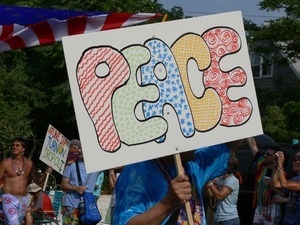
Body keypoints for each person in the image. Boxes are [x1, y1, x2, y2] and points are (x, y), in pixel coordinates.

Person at [114, 139, 243, 225]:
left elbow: (232, 142)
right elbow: (126, 222)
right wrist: (168, 203)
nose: (198, 138)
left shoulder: (194, 163)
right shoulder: (136, 171)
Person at [0, 137, 53, 225]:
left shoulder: (29, 163)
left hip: (23, 199)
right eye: (13, 145)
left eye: (18, 145)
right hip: (9, 198)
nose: (14, 147)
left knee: (14, 222)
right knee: (14, 223)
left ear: (23, 149)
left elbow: (37, 181)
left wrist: (46, 172)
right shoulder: (5, 163)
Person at [60, 139, 102, 225]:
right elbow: (63, 185)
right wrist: (75, 188)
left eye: (82, 149)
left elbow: (117, 164)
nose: (79, 150)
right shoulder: (71, 165)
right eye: (79, 148)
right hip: (70, 207)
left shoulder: (97, 166)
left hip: (88, 207)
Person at [247, 137, 282, 225]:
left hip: (272, 209)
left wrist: (270, 185)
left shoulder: (280, 172)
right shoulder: (262, 164)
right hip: (260, 208)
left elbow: (283, 195)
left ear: (275, 156)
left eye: (268, 154)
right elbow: (253, 146)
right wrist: (248, 132)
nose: (265, 155)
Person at [206, 153, 240, 225]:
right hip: (220, 219)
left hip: (229, 219)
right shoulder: (221, 178)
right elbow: (213, 197)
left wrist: (211, 184)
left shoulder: (233, 180)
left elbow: (219, 196)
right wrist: (207, 186)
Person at [272, 149, 300, 225]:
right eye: (295, 159)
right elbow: (276, 184)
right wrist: (276, 165)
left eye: (297, 159)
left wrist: (281, 165)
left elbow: (284, 184)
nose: (293, 162)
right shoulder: (295, 179)